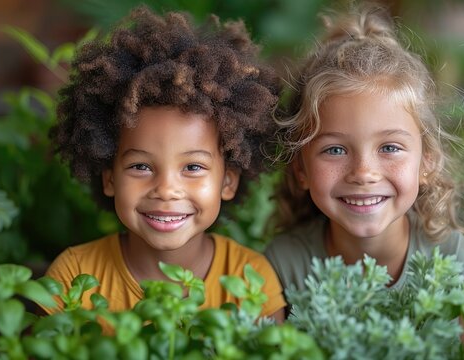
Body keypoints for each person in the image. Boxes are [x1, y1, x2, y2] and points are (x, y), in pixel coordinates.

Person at [43, 6, 286, 322]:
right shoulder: (74, 276)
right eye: (141, 167)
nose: (167, 190)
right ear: (109, 178)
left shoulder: (250, 278)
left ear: (228, 181)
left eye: (193, 167)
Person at [265, 2, 464, 297]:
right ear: (300, 170)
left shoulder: (456, 262)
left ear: (427, 163)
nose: (363, 173)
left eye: (390, 147)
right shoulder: (282, 266)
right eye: (335, 150)